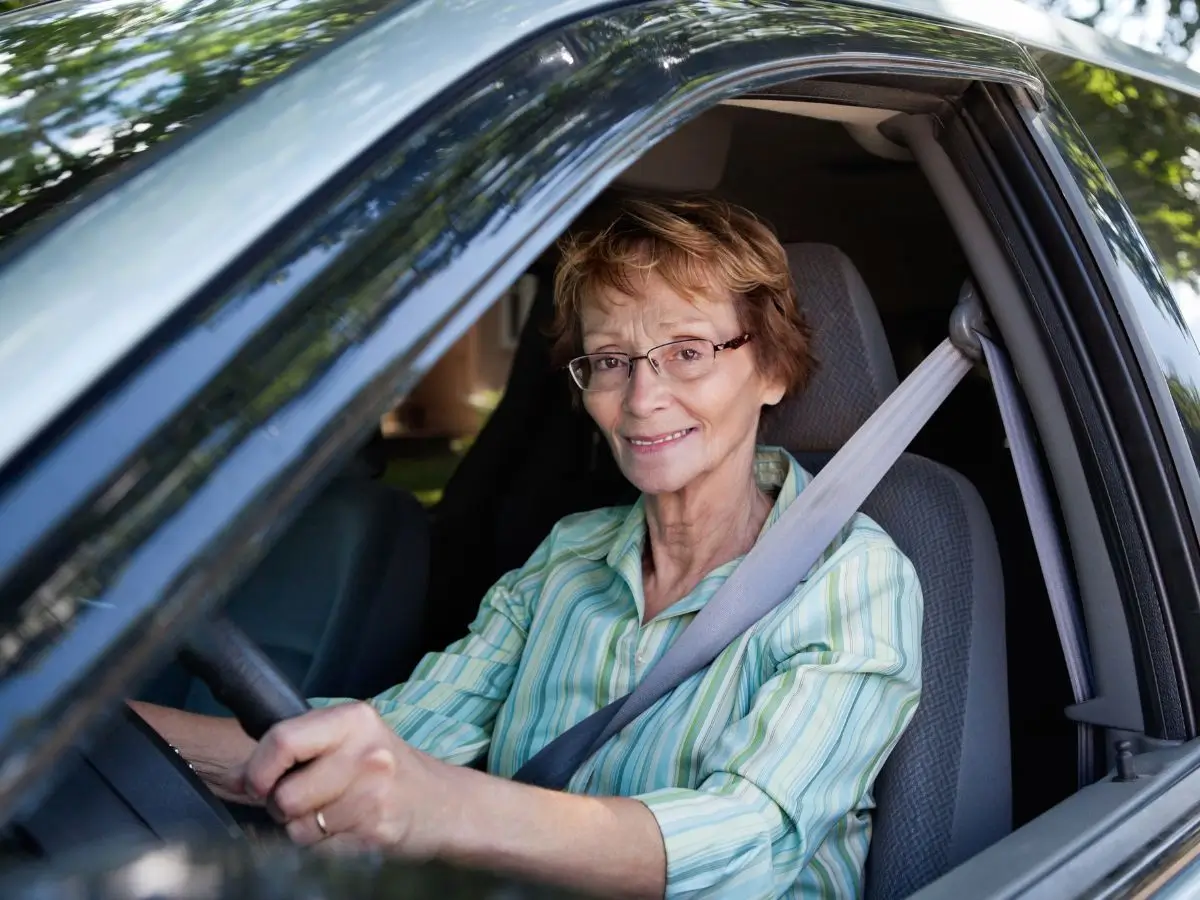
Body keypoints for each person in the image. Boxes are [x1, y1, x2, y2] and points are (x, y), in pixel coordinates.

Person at [133, 195, 923, 899]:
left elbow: (748, 842)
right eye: (609, 361)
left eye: (687, 351)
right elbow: (397, 738)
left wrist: (448, 808)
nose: (643, 397)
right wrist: (105, 729)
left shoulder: (851, 578)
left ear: (773, 368)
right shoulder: (568, 557)